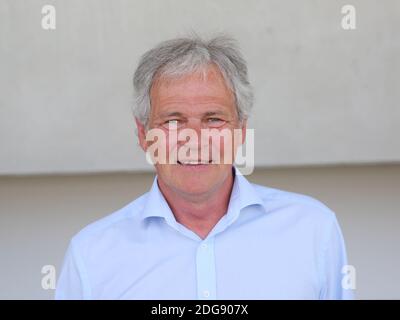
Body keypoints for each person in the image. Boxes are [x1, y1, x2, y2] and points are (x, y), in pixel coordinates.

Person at [55, 35, 353, 299]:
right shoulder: (92, 255)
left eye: (213, 119)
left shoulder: (314, 230)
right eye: (173, 121)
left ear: (241, 129)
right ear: (143, 134)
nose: (195, 140)